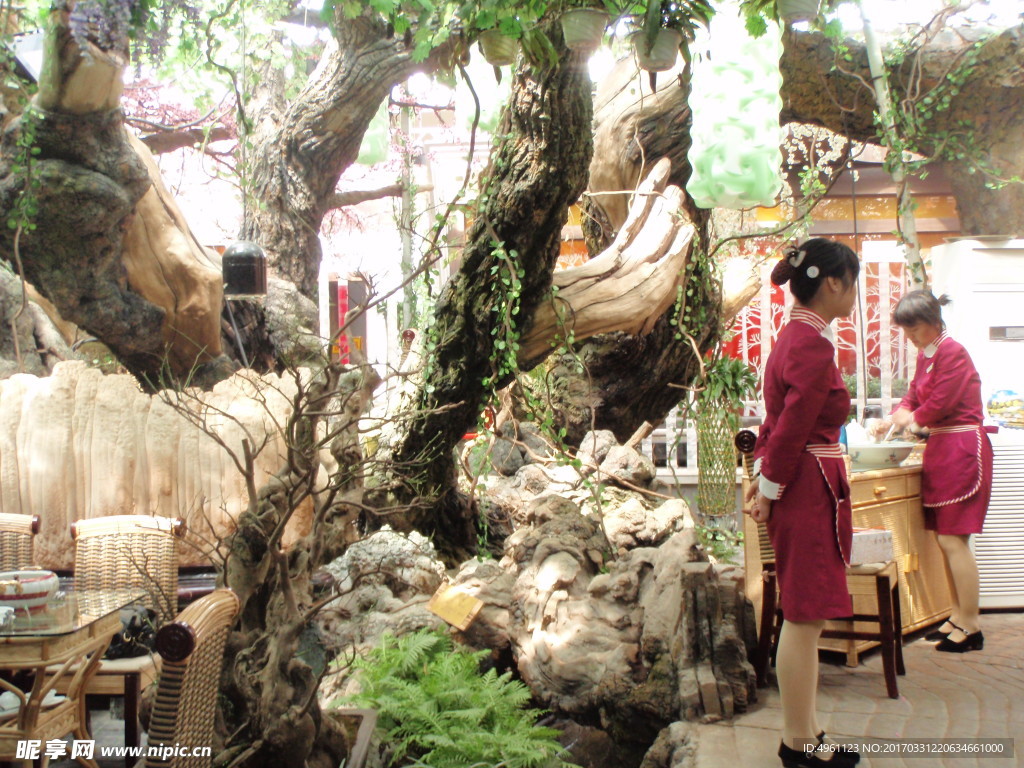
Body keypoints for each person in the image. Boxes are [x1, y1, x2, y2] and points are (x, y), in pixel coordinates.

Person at [744, 238, 861, 768]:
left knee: (804, 613)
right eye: (852, 281)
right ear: (833, 282)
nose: (854, 293)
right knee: (805, 616)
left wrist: (764, 479)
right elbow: (789, 427)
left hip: (803, 480)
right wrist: (769, 488)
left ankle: (808, 732)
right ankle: (797, 742)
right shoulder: (813, 344)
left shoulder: (793, 336)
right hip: (809, 484)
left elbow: (774, 423)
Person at [872, 290, 993, 653]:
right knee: (946, 540)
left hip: (961, 448)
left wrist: (913, 418)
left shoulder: (953, 351)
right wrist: (895, 416)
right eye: (906, 330)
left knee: (954, 539)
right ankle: (958, 615)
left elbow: (941, 401)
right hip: (943, 450)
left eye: (915, 329)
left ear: (934, 322)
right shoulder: (929, 356)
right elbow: (913, 397)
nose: (910, 336)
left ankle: (971, 625)